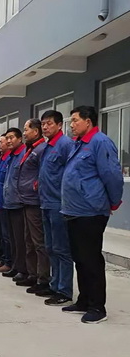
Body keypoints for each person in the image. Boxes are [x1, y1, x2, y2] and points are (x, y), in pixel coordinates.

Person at [61, 106, 123, 324]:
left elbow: (112, 175)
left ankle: (97, 307)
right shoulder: (78, 144)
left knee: (91, 259)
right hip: (73, 210)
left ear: (88, 121)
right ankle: (84, 300)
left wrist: (114, 201)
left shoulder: (100, 142)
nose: (72, 124)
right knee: (79, 258)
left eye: (75, 120)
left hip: (91, 210)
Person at [38, 110, 74, 306]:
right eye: (43, 124)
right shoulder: (47, 146)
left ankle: (64, 290)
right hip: (45, 202)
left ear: (60, 125)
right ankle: (54, 285)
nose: (45, 127)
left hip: (59, 204)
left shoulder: (65, 145)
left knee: (62, 249)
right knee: (50, 248)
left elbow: (70, 174)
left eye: (49, 123)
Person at [17, 119, 50, 293]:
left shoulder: (42, 149)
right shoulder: (30, 149)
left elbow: (43, 173)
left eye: (26, 130)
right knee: (28, 240)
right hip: (25, 200)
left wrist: (36, 186)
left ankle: (43, 278)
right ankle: (32, 274)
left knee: (38, 242)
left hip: (35, 201)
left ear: (36, 132)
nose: (24, 133)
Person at [2, 128, 28, 282]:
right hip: (9, 202)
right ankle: (15, 266)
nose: (9, 141)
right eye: (7, 138)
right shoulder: (11, 156)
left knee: (20, 239)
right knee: (11, 238)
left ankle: (23, 269)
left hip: (19, 203)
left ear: (19, 139)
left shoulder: (23, 154)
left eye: (11, 137)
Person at [0, 135, 13, 274]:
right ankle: (3, 257)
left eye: (1, 142)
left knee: (7, 235)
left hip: (6, 202)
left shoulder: (9, 159)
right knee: (0, 233)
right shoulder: (1, 159)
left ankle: (9, 261)